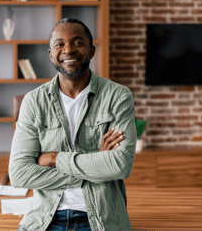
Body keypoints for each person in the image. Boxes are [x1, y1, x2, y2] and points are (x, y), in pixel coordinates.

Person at [9, 18, 137, 231]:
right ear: (51, 54)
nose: (68, 49)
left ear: (92, 50)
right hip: (44, 219)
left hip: (102, 220)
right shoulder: (34, 101)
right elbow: (20, 174)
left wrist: (54, 158)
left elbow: (120, 165)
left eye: (78, 42)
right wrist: (95, 163)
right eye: (59, 44)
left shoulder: (118, 96)